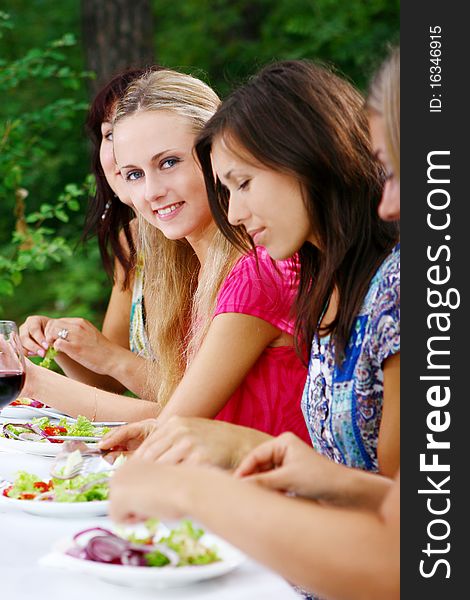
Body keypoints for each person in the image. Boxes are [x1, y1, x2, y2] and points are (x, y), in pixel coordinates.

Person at [109, 50, 401, 600]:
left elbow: (413, 540)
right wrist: (263, 455)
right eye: (226, 190)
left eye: (243, 184)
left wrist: (201, 487)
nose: (236, 213)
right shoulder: (323, 283)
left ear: (308, 157)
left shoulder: (396, 291)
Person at [21, 69, 309, 450]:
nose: (152, 191)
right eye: (134, 174)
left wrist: (28, 380)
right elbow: (168, 409)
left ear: (218, 155)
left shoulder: (257, 270)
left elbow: (173, 426)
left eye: (169, 162)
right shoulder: (192, 272)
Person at [19, 68, 156, 396]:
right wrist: (62, 342)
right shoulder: (134, 238)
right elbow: (112, 379)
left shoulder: (204, 237)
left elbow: (195, 399)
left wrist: (37, 382)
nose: (122, 151)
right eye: (110, 134)